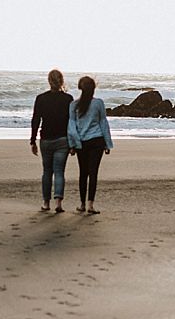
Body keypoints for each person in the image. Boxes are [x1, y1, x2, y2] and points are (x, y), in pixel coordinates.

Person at [67, 75, 113, 214]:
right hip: (97, 140)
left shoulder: (74, 105)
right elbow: (103, 123)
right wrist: (107, 143)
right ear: (93, 89)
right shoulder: (98, 103)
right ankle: (90, 205)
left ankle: (81, 204)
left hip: (82, 142)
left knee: (83, 173)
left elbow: (72, 126)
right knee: (93, 173)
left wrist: (72, 145)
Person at [29, 68, 73, 212]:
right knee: (59, 171)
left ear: (49, 81)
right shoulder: (68, 99)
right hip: (62, 139)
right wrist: (73, 142)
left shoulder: (41, 98)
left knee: (47, 171)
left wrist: (32, 140)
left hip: (46, 139)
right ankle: (58, 203)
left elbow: (35, 120)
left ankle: (46, 203)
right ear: (62, 81)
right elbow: (71, 122)